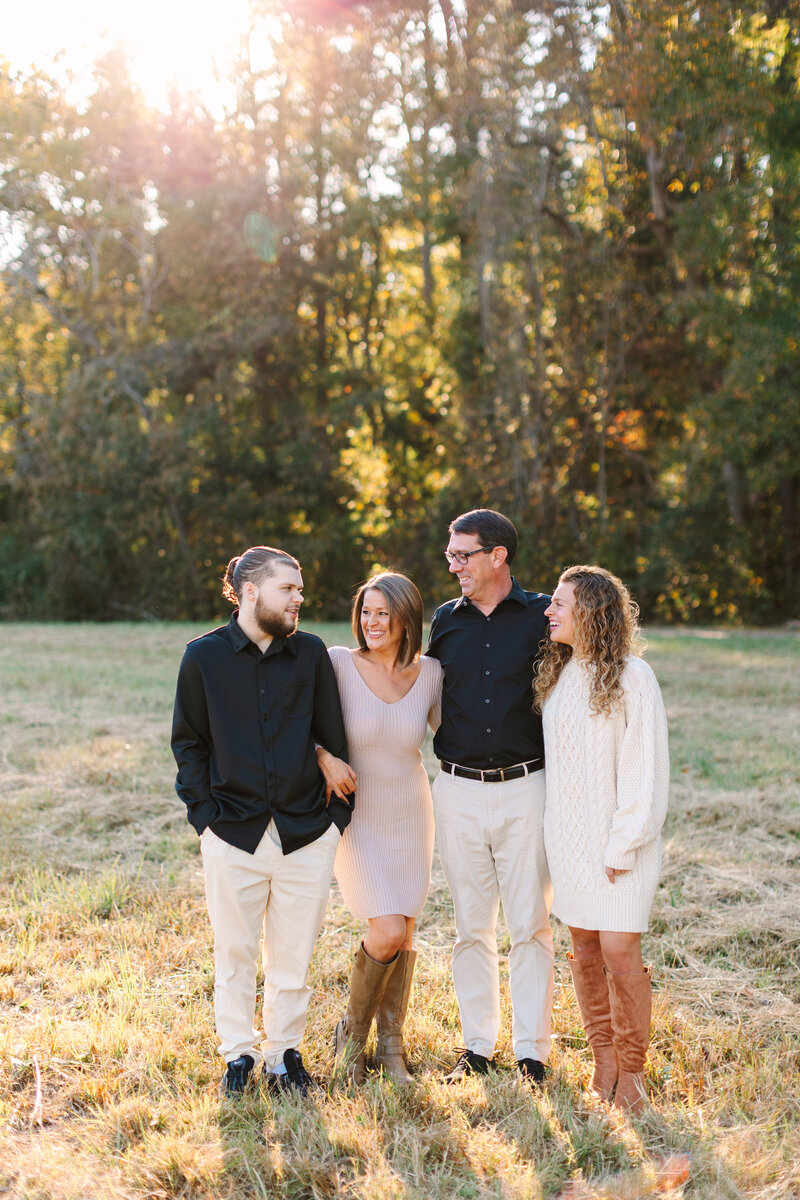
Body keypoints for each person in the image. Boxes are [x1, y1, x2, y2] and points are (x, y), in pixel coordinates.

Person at [171, 546, 356, 1099]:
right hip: (232, 831)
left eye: (299, 589)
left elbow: (334, 738)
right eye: (288, 589)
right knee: (233, 952)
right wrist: (206, 820)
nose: (299, 598)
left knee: (293, 955)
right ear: (250, 591)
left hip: (306, 832)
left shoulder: (311, 654)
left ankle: (283, 1054)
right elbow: (189, 745)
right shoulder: (202, 658)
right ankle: (238, 1054)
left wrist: (334, 823)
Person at [426, 509, 554, 1086]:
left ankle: (532, 1053)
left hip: (526, 788)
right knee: (470, 927)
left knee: (530, 924)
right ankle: (477, 1046)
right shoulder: (444, 621)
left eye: (462, 555)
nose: (454, 565)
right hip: (456, 791)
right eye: (450, 556)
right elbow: (429, 694)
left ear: (497, 555)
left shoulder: (543, 615)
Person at [535, 565, 669, 1114]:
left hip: (620, 844)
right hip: (568, 844)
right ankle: (604, 1061)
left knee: (618, 948)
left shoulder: (634, 676)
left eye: (559, 603)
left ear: (590, 611)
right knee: (585, 946)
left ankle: (632, 1074)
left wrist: (623, 844)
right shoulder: (560, 675)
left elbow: (644, 771)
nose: (548, 611)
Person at [318, 572, 442, 1085]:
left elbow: (456, 740)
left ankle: (391, 1048)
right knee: (386, 929)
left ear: (405, 619)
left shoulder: (430, 673)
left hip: (411, 812)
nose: (372, 622)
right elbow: (299, 723)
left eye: (383, 614)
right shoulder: (337, 663)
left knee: (405, 932)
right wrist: (324, 758)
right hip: (359, 814)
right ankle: (350, 1037)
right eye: (366, 612)